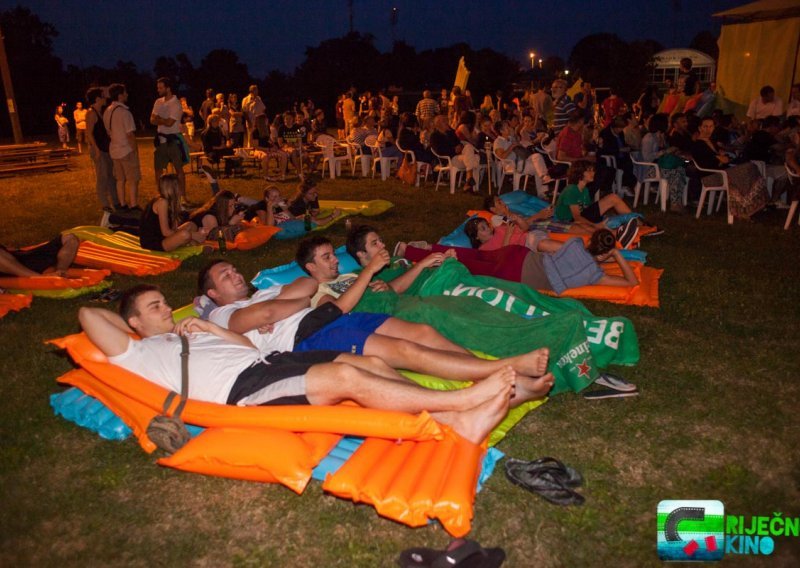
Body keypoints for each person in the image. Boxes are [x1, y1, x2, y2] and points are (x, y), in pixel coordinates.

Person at [78, 284, 541, 445]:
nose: (168, 310)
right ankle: (463, 402)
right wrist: (146, 331)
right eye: (157, 307)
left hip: (270, 360)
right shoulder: (137, 351)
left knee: (372, 361)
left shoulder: (191, 332)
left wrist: (211, 330)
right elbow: (88, 316)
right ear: (135, 323)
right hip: (243, 390)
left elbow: (243, 343)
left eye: (166, 304)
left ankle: (453, 419)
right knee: (346, 377)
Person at [201, 258, 554, 391]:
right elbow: (263, 317)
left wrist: (283, 305)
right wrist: (278, 310)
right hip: (305, 336)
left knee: (424, 333)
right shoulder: (218, 315)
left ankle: (497, 378)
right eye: (224, 275)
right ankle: (503, 373)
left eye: (234, 268)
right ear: (213, 293)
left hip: (328, 316)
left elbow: (308, 287)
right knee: (404, 351)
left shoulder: (265, 291)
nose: (235, 273)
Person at [401, 227, 639, 295]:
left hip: (517, 254)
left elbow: (545, 246)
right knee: (465, 264)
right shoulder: (594, 275)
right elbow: (630, 282)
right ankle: (409, 254)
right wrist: (617, 255)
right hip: (516, 274)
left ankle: (417, 248)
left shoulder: (575, 244)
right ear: (607, 254)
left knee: (470, 255)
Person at [691, 117, 768, 220]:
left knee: (751, 167)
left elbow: (723, 158)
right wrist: (719, 159)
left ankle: (755, 205)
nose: (709, 129)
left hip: (722, 172)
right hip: (711, 176)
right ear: (700, 128)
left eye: (711, 126)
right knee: (747, 168)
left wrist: (720, 158)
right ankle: (747, 208)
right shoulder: (698, 144)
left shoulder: (712, 142)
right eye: (706, 126)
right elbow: (709, 162)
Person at [344, 224, 456, 294]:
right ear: (361, 254)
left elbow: (415, 269)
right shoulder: (363, 277)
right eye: (375, 243)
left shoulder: (395, 260)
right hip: (435, 287)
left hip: (444, 276)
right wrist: (422, 264)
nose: (382, 245)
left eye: (380, 240)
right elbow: (391, 289)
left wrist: (440, 261)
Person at [553, 160, 645, 242]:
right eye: (589, 170)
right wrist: (596, 225)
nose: (593, 173)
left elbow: (587, 210)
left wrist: (601, 218)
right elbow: (577, 217)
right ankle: (620, 233)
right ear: (579, 173)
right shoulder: (571, 190)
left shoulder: (584, 190)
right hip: (569, 221)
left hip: (581, 216)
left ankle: (639, 224)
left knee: (613, 197)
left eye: (593, 170)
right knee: (593, 227)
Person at [139, 174, 208, 252]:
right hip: (154, 243)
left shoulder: (170, 202)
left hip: (163, 237)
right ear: (174, 188)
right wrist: (192, 235)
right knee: (185, 235)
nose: (181, 189)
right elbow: (166, 232)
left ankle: (191, 243)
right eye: (179, 186)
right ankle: (193, 244)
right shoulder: (162, 202)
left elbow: (174, 228)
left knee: (191, 225)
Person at [104, 83, 141, 211]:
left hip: (114, 149)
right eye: (125, 93)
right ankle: (134, 204)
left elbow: (108, 131)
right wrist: (135, 150)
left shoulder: (107, 111)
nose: (127, 95)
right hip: (126, 149)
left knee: (120, 179)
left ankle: (122, 203)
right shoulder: (125, 112)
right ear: (120, 95)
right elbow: (130, 134)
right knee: (133, 178)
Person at [85, 87, 121, 213]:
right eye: (102, 96)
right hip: (99, 150)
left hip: (106, 149)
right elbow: (89, 133)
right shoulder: (91, 113)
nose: (105, 98)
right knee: (103, 176)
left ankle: (116, 202)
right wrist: (96, 149)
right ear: (97, 99)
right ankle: (105, 204)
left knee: (112, 176)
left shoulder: (101, 112)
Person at [150, 77, 186, 198]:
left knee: (178, 169)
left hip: (173, 140)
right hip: (161, 140)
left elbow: (170, 123)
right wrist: (163, 120)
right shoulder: (158, 102)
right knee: (158, 169)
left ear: (168, 88)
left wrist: (158, 119)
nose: (158, 90)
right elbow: (151, 120)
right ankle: (161, 194)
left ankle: (182, 196)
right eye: (157, 87)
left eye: (161, 87)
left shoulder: (176, 104)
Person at [430, 115, 480, 193]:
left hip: (460, 157)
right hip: (450, 159)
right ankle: (469, 180)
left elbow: (459, 143)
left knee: (469, 147)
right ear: (438, 124)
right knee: (475, 158)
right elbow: (439, 151)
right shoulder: (434, 136)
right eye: (444, 121)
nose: (447, 123)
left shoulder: (451, 133)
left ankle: (468, 179)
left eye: (447, 120)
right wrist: (454, 150)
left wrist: (460, 147)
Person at [464, 216, 559, 253]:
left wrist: (518, 219)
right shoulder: (484, 249)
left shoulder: (499, 229)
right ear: (476, 236)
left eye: (487, 225)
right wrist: (508, 235)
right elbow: (502, 256)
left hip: (529, 240)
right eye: (483, 228)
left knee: (543, 244)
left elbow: (525, 229)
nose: (488, 227)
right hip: (524, 254)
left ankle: (572, 249)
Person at [0, 233, 80, 277]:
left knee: (71, 239)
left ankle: (61, 271)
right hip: (10, 268)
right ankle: (39, 278)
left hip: (23, 257)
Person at [201, 113, 240, 178]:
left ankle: (229, 172)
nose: (217, 123)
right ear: (211, 122)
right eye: (215, 121)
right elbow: (207, 146)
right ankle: (234, 169)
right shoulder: (205, 133)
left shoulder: (219, 130)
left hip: (219, 149)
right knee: (228, 154)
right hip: (211, 151)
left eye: (217, 121)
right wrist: (219, 147)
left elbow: (223, 138)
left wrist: (224, 144)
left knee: (230, 151)